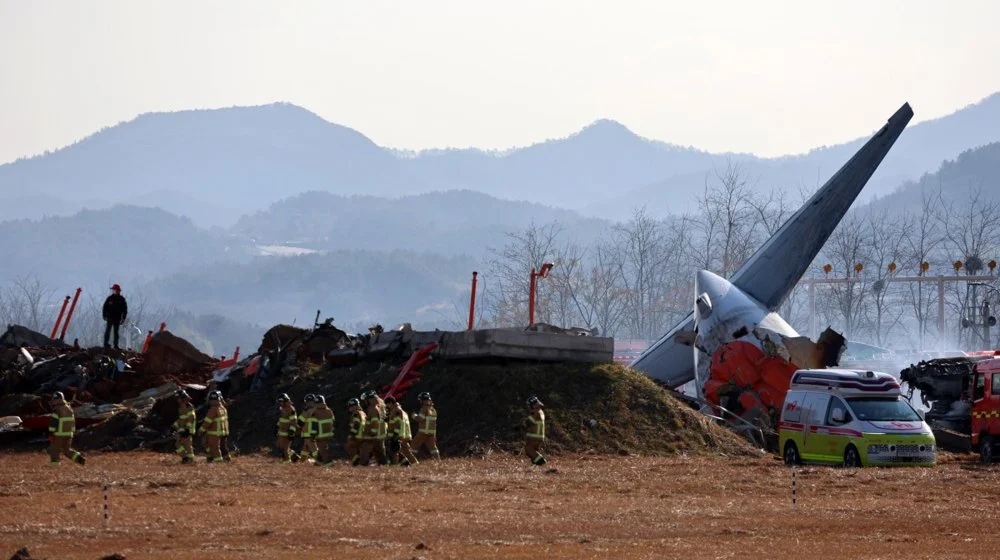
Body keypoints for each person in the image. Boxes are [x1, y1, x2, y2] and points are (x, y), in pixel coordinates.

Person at [47, 392, 85, 465]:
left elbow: (53, 424)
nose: (53, 401)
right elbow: (73, 422)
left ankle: (55, 466)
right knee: (67, 450)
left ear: (57, 400)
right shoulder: (69, 409)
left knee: (54, 450)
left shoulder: (56, 410)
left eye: (54, 399)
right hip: (69, 433)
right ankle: (80, 459)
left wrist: (51, 434)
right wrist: (73, 432)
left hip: (59, 434)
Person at [385, 397, 418, 467]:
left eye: (387, 405)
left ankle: (396, 467)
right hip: (404, 434)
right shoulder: (399, 410)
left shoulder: (396, 411)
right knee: (405, 452)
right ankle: (414, 465)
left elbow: (398, 424)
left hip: (399, 435)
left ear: (390, 403)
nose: (387, 407)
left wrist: (395, 435)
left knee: (395, 452)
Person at [358, 395, 387, 466]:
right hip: (379, 435)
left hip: (372, 436)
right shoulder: (378, 408)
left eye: (366, 400)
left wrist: (372, 433)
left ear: (370, 400)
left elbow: (374, 422)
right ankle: (384, 465)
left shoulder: (372, 409)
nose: (365, 402)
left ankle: (362, 465)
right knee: (379, 453)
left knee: (364, 450)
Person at [199, 391, 227, 463]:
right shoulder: (223, 408)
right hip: (222, 432)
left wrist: (201, 431)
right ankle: (225, 459)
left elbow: (207, 422)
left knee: (214, 447)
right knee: (222, 447)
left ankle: (218, 462)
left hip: (214, 432)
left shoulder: (213, 410)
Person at [411, 392, 440, 460]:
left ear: (423, 400)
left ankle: (411, 461)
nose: (420, 401)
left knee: (414, 444)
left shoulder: (424, 408)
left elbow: (420, 419)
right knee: (433, 447)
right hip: (432, 432)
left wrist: (414, 416)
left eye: (420, 400)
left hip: (423, 431)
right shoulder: (433, 409)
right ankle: (438, 461)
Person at [173, 390, 196, 464]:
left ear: (182, 398)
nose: (177, 399)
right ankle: (186, 458)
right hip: (182, 429)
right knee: (180, 444)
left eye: (178, 398)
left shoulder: (189, 406)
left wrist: (186, 429)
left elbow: (191, 419)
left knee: (187, 445)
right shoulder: (181, 407)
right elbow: (181, 419)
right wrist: (175, 425)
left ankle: (189, 460)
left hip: (188, 430)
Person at [102, 284, 128, 350]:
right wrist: (104, 315)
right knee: (108, 331)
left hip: (117, 318)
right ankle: (106, 344)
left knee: (116, 332)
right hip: (110, 317)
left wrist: (123, 318)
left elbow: (125, 310)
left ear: (118, 291)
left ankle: (116, 345)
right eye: (113, 290)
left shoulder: (122, 299)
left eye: (115, 290)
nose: (114, 291)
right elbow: (105, 307)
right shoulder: (110, 298)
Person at [523, 395, 547, 466]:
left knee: (528, 449)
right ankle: (537, 465)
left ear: (533, 404)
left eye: (529, 405)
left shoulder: (536, 412)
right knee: (534, 451)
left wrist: (519, 427)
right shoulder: (540, 411)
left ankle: (541, 462)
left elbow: (528, 422)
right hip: (537, 435)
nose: (529, 406)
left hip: (535, 435)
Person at [275, 394, 299, 463]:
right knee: (281, 446)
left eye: (281, 401)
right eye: (279, 401)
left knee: (285, 448)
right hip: (282, 432)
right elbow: (282, 419)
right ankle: (295, 458)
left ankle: (287, 461)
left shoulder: (291, 409)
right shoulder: (282, 408)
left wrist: (291, 432)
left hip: (288, 432)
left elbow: (294, 422)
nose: (280, 403)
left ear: (285, 401)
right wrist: (277, 426)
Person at [312, 395, 335, 466]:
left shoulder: (315, 412)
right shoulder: (329, 410)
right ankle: (318, 463)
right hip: (329, 435)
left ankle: (329, 466)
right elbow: (333, 421)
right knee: (323, 450)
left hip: (320, 436)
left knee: (323, 452)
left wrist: (312, 434)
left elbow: (313, 424)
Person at [298, 394, 318, 463]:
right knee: (305, 448)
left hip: (309, 433)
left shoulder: (308, 410)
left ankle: (321, 462)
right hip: (313, 433)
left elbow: (300, 421)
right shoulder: (317, 409)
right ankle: (301, 461)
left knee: (314, 450)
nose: (307, 403)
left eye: (307, 402)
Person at [346, 398, 366, 466]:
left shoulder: (356, 413)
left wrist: (352, 435)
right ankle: (359, 460)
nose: (349, 408)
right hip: (363, 435)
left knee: (349, 447)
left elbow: (356, 425)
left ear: (353, 406)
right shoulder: (363, 413)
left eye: (350, 406)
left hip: (358, 435)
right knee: (358, 449)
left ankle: (356, 460)